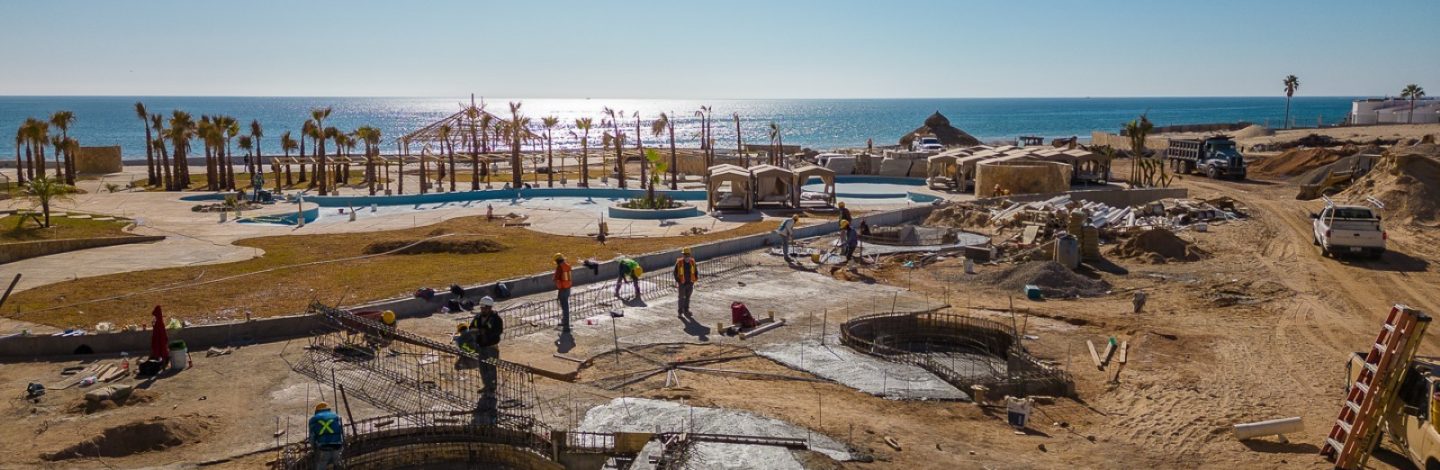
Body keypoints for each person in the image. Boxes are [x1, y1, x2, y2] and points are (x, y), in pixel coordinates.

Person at [468, 296, 504, 421]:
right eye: (482, 308)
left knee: (491, 368)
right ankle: (486, 385)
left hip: (491, 347)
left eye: (485, 308)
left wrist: (486, 333)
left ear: (489, 308)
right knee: (483, 367)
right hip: (481, 347)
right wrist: (476, 332)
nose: (483, 310)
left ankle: (492, 388)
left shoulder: (496, 319)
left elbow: (498, 332)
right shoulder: (478, 317)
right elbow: (471, 327)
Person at [308, 402, 344, 470]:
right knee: (337, 464)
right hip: (337, 446)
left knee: (321, 464)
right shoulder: (337, 417)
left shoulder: (313, 419)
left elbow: (312, 436)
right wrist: (341, 445)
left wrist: (314, 448)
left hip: (323, 447)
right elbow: (342, 432)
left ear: (317, 411)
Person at [674, 248, 699, 316]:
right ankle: (680, 312)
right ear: (683, 255)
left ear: (689, 255)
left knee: (688, 297)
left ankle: (686, 310)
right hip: (682, 284)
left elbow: (695, 271)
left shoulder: (692, 262)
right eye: (685, 255)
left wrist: (695, 279)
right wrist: (679, 281)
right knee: (681, 298)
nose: (686, 256)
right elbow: (675, 273)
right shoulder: (679, 262)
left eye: (687, 255)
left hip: (690, 283)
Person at [553, 253, 573, 332]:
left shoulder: (559, 267)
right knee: (565, 307)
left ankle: (566, 326)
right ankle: (564, 322)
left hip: (563, 289)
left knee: (565, 308)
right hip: (568, 288)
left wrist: (559, 287)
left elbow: (556, 279)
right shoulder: (567, 266)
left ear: (557, 260)